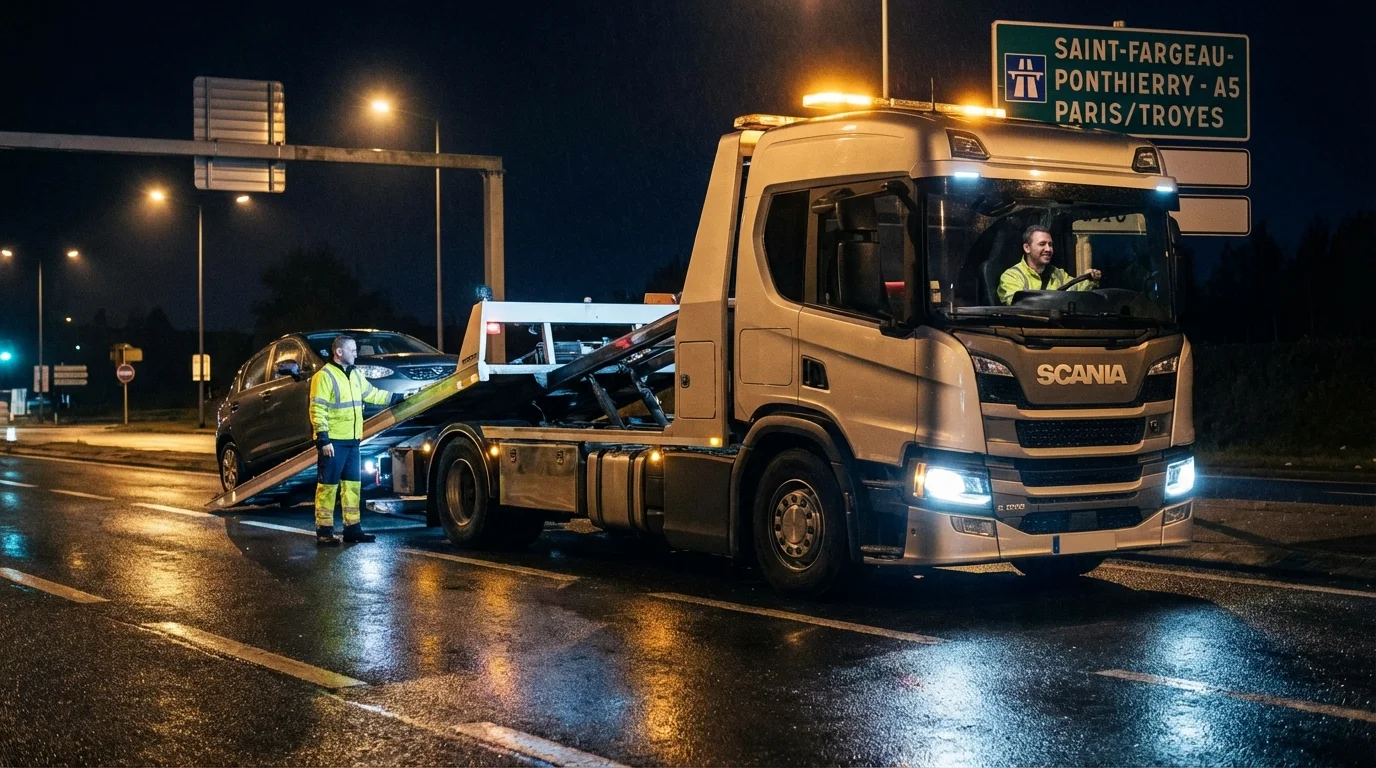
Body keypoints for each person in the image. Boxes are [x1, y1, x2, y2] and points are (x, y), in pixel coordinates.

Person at [310, 334, 402, 546]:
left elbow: (372, 394)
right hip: (333, 440)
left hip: (352, 441)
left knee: (352, 486)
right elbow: (317, 409)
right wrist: (323, 439)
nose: (356, 353)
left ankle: (352, 529)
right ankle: (324, 531)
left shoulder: (355, 374)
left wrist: (394, 398)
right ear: (339, 352)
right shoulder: (324, 376)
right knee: (328, 486)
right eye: (352, 350)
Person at [997, 225, 1102, 305]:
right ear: (1027, 248)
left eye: (1050, 244)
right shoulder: (1012, 276)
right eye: (1042, 244)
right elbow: (1017, 305)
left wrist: (1089, 278)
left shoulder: (1058, 274)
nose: (1048, 249)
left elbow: (1076, 291)